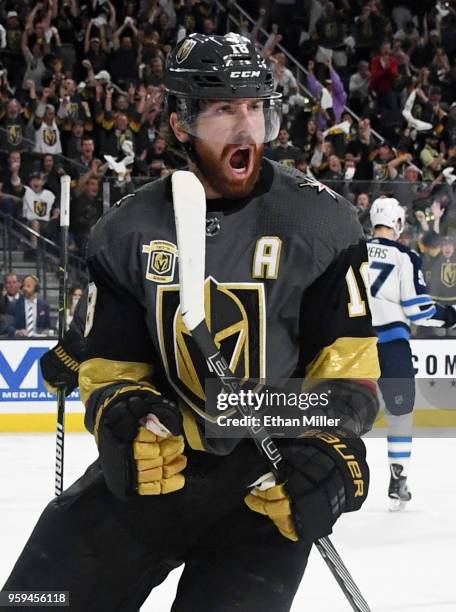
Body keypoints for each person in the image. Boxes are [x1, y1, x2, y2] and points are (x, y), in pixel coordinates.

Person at [4, 33, 380, 612]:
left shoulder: (319, 221)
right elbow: (111, 367)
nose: (246, 127)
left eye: (255, 107)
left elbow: (349, 376)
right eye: (225, 109)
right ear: (182, 124)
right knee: (37, 601)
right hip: (161, 471)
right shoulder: (128, 230)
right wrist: (121, 413)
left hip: (266, 484)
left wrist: (331, 449)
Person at [366, 198, 456, 510]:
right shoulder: (404, 256)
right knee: (400, 416)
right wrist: (449, 315)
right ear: (399, 223)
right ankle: (398, 479)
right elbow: (417, 311)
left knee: (342, 414)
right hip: (392, 346)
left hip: (354, 345)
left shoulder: (351, 252)